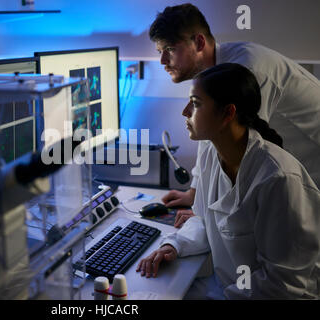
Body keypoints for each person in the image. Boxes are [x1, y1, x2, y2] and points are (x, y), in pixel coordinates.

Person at [136, 63, 320, 299]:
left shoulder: (278, 179)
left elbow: (281, 284)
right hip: (228, 286)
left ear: (227, 113)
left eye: (195, 103)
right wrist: (174, 245)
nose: (184, 111)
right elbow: (204, 218)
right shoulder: (214, 154)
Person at [149, 3, 320, 227]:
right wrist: (196, 193)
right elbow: (211, 136)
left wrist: (206, 214)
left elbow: (244, 153)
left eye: (170, 49)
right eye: (159, 52)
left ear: (199, 42)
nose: (162, 61)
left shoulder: (247, 70)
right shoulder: (214, 76)